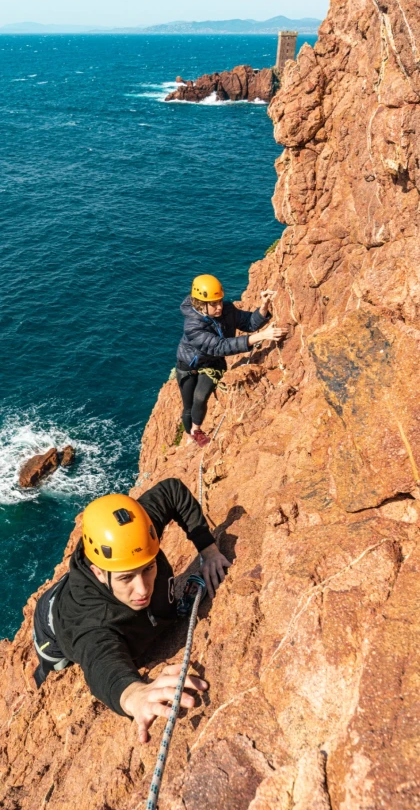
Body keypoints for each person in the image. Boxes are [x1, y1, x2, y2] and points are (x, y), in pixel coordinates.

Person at [32, 478, 230, 743]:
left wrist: (208, 549)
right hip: (51, 628)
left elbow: (172, 492)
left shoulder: (134, 542)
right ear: (98, 573)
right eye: (127, 578)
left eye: (148, 568)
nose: (142, 590)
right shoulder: (89, 619)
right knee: (55, 667)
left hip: (86, 585)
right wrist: (133, 694)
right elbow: (100, 661)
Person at [176, 274, 288, 446]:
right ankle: (189, 435)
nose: (219, 306)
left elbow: (249, 323)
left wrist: (264, 307)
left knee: (200, 396)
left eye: (220, 301)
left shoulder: (227, 310)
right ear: (200, 304)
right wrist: (262, 336)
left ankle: (196, 430)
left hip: (213, 363)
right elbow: (220, 346)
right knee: (188, 407)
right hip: (187, 364)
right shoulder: (193, 326)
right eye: (213, 304)